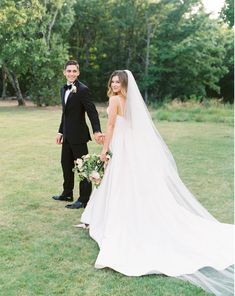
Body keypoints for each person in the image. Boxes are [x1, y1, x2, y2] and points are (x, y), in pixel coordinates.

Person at [79, 70, 234, 295]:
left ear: (123, 84)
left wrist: (104, 150)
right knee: (130, 186)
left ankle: (118, 220)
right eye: (112, 81)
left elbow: (112, 127)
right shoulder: (130, 101)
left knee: (120, 185)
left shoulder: (114, 100)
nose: (114, 85)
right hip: (132, 148)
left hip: (123, 148)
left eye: (117, 82)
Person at [52, 60, 103, 209]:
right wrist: (60, 131)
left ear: (78, 73)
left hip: (79, 136)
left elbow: (92, 112)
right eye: (69, 71)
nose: (71, 73)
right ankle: (67, 193)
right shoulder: (63, 89)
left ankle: (84, 199)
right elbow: (65, 114)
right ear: (64, 72)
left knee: (83, 167)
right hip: (67, 135)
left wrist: (97, 130)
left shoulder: (83, 90)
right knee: (66, 165)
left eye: (74, 71)